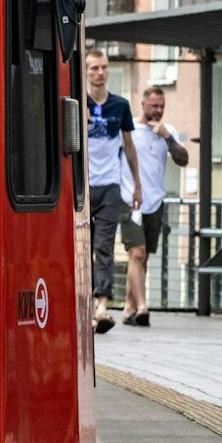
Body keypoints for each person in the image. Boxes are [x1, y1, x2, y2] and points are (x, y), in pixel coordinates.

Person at [85, 49, 143, 335]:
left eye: (104, 67)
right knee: (81, 248)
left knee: (104, 246)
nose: (100, 73)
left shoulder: (120, 105)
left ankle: (102, 306)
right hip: (82, 184)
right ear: (86, 71)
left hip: (110, 185)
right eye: (94, 68)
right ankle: (83, 304)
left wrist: (137, 184)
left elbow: (129, 146)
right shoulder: (76, 103)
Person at [125, 86, 190, 327]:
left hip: (155, 201)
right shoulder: (130, 128)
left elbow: (183, 160)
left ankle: (129, 307)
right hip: (130, 200)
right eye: (154, 106)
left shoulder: (167, 131)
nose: (158, 110)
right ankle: (142, 307)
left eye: (162, 106)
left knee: (145, 257)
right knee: (136, 252)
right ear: (143, 105)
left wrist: (167, 137)